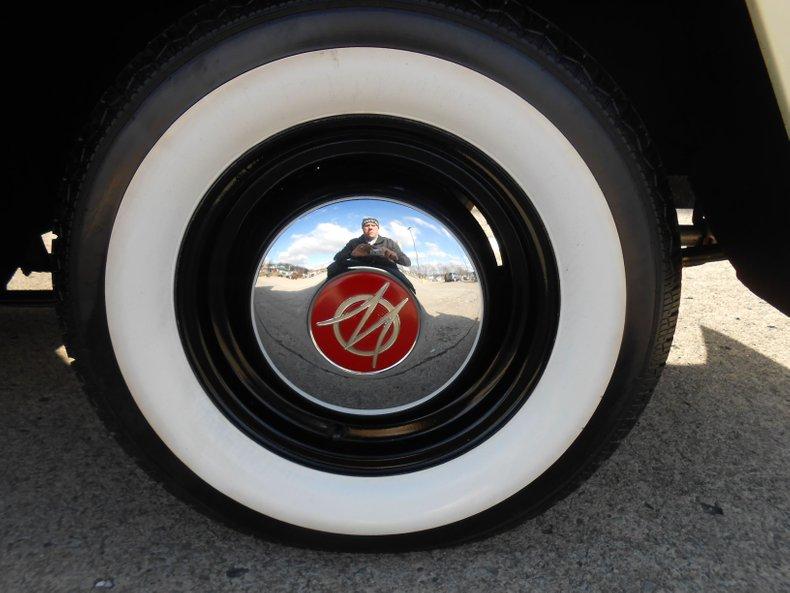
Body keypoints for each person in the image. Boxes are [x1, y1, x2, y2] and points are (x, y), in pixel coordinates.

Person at [326, 217, 415, 292]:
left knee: (406, 284)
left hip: (387, 269)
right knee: (333, 268)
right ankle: (332, 294)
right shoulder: (354, 242)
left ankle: (409, 299)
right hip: (360, 269)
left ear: (378, 228)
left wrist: (395, 256)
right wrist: (352, 253)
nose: (370, 228)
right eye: (366, 225)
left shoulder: (389, 242)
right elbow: (337, 258)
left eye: (373, 225)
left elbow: (407, 262)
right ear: (363, 229)